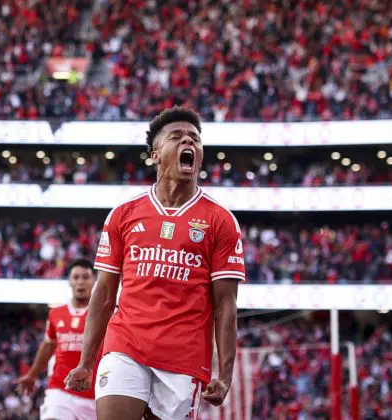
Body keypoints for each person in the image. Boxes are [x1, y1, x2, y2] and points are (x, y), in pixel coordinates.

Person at [64, 106, 245, 420]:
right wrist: (86, 361)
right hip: (126, 344)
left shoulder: (220, 220)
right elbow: (105, 295)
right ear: (155, 155)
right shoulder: (124, 214)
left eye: (195, 139)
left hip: (183, 357)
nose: (188, 142)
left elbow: (225, 306)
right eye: (176, 137)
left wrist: (225, 374)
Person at [17, 259, 99, 420]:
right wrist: (32, 375)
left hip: (94, 394)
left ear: (94, 280)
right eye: (76, 277)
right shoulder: (56, 313)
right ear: (69, 281)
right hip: (60, 389)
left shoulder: (103, 314)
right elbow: (48, 346)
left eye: (85, 277)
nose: (80, 282)